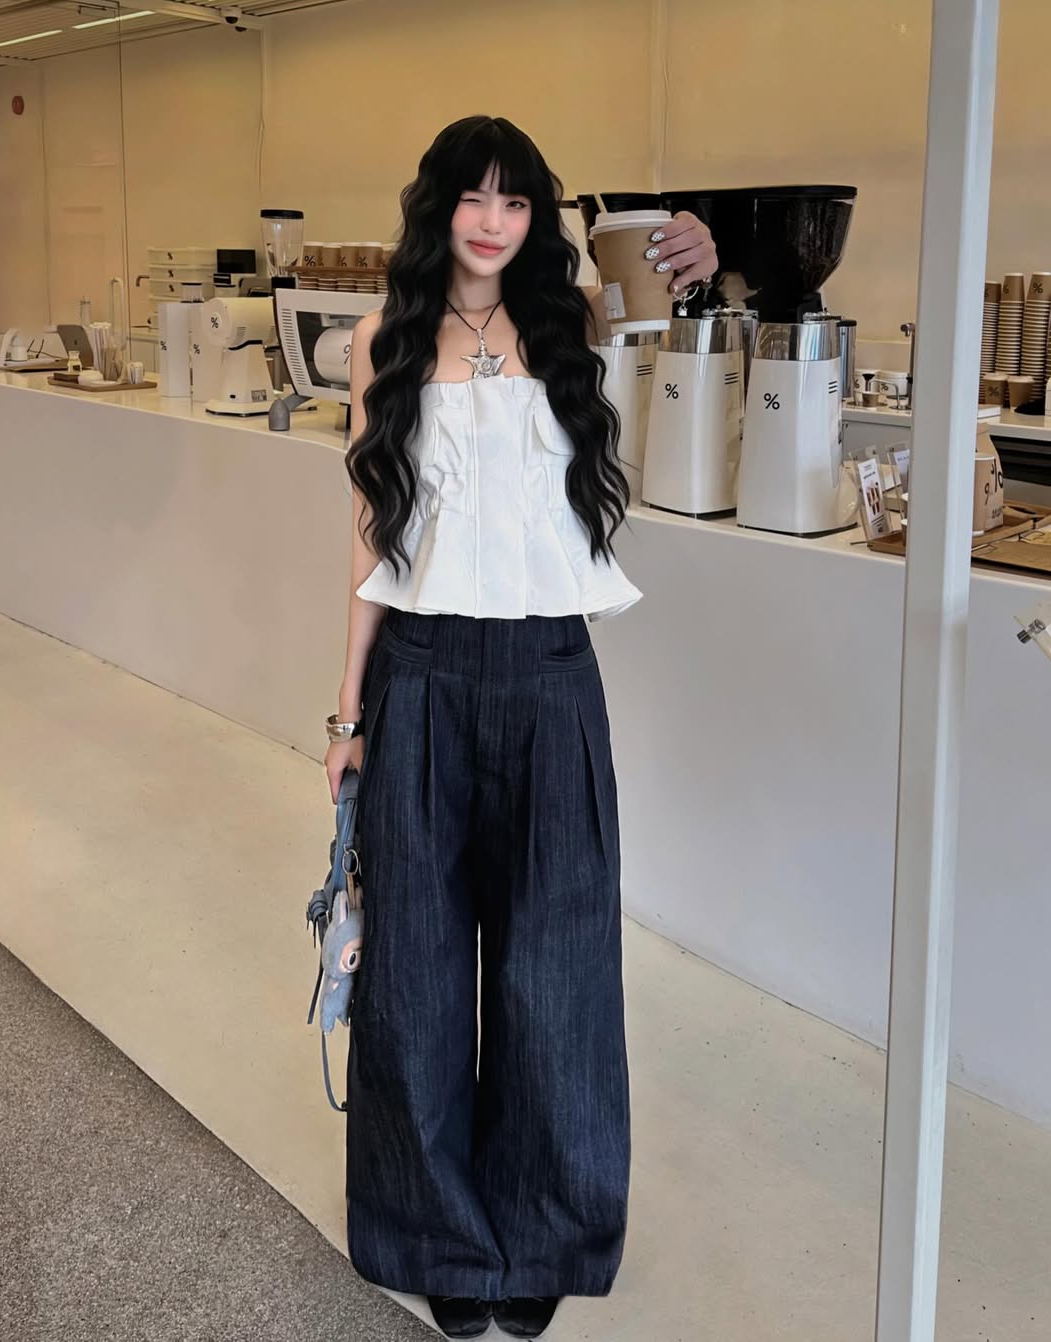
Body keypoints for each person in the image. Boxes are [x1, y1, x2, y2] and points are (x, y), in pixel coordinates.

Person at [324, 115, 717, 1341]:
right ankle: (442, 1232)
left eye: (517, 201)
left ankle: (544, 1227)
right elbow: (370, 539)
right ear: (438, 206)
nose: (494, 221)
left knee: (556, 970)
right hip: (426, 673)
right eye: (472, 198)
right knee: (421, 976)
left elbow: (690, 314)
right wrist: (348, 714)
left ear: (539, 218)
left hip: (552, 672)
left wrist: (713, 259)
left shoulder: (579, 321)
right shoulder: (385, 341)